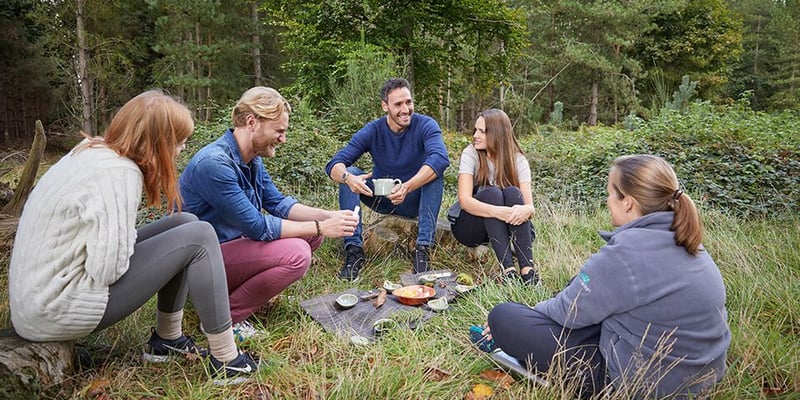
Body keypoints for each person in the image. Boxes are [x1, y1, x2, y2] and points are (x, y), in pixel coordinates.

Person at [8, 90, 258, 385]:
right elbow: (107, 269)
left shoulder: (93, 151)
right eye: (178, 140)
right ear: (158, 142)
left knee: (185, 222)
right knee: (200, 235)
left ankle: (168, 339)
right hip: (55, 308)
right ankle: (227, 361)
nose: (182, 148)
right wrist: (133, 245)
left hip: (36, 301)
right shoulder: (119, 173)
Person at [481, 154, 731, 398]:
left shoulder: (625, 253)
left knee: (503, 317)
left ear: (628, 203)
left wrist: (532, 312)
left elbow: (568, 311)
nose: (607, 200)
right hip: (703, 377)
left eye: (610, 193)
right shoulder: (691, 243)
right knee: (581, 293)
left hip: (642, 384)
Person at [179, 86, 359, 337]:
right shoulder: (214, 164)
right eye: (279, 131)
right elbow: (257, 227)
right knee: (297, 254)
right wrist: (321, 226)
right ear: (252, 122)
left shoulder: (251, 158)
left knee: (310, 236)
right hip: (199, 265)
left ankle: (240, 296)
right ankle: (222, 319)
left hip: (228, 250)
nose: (283, 139)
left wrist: (326, 216)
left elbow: (277, 203)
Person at [325, 77, 450, 281]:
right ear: (385, 106)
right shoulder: (373, 130)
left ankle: (423, 249)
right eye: (398, 104)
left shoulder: (426, 125)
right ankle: (354, 251)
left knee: (435, 174)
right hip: (381, 198)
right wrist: (348, 178)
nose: (405, 109)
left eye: (408, 102)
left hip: (412, 199)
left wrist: (408, 187)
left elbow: (440, 158)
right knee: (351, 172)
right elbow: (334, 164)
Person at [448, 109, 538, 284]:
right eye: (475, 130)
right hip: (470, 228)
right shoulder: (471, 153)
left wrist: (525, 210)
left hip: (503, 228)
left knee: (513, 193)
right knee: (492, 193)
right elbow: (465, 201)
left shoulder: (518, 160)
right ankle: (508, 271)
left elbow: (529, 207)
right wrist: (499, 212)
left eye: (482, 131)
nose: (475, 135)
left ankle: (528, 272)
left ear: (497, 134)